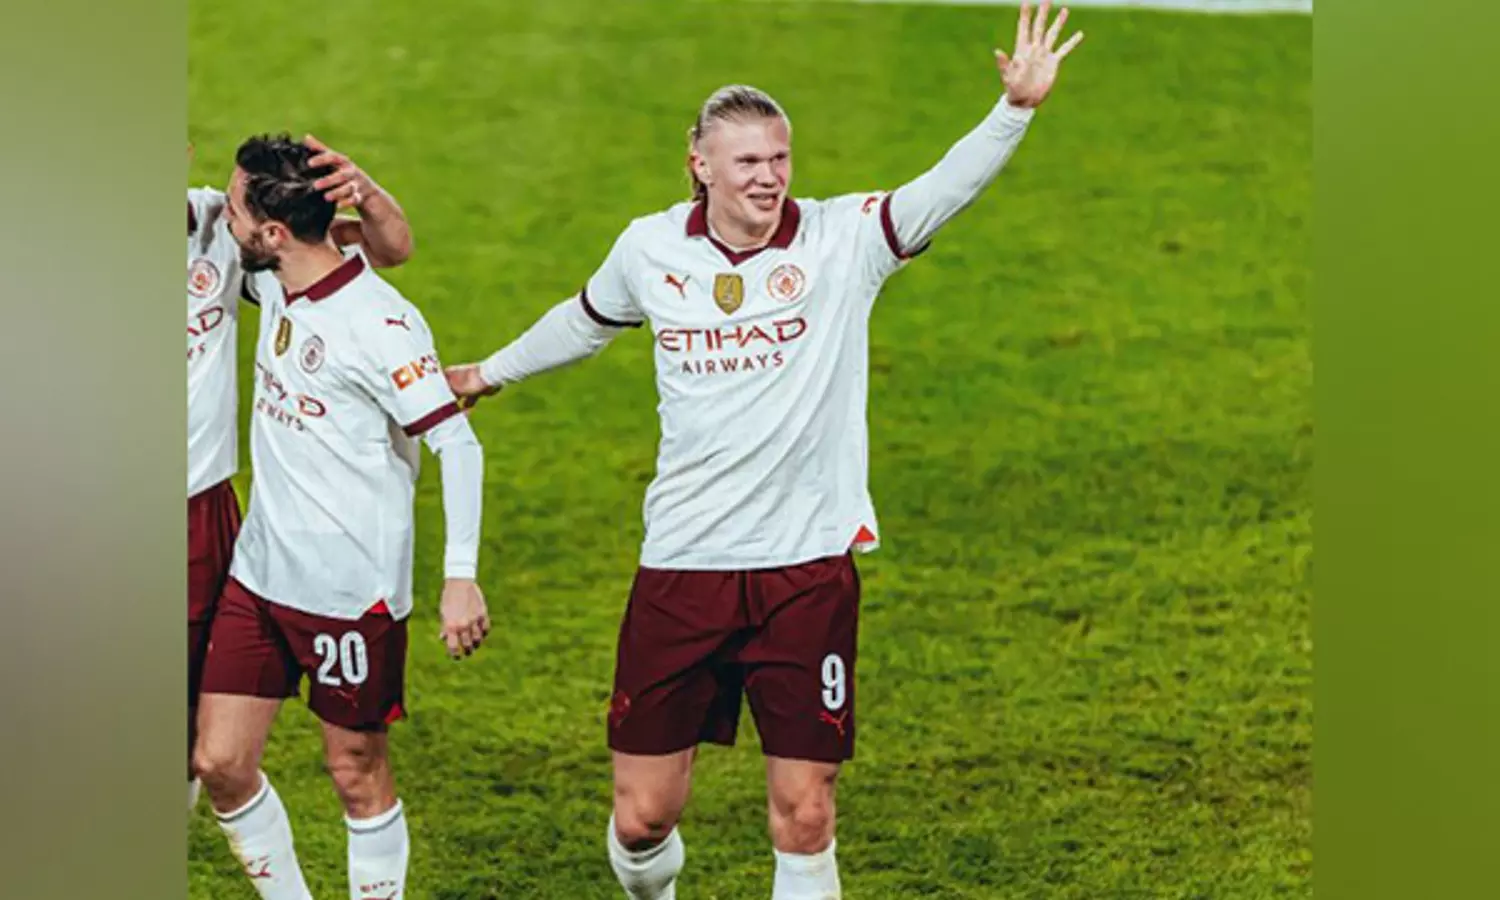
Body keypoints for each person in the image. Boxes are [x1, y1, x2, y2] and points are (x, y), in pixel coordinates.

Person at [449, 4, 1086, 896]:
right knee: (642, 817)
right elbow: (585, 321)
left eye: (779, 158)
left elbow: (942, 188)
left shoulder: (842, 240)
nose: (769, 177)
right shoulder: (649, 249)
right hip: (685, 561)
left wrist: (1013, 110)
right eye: (748, 161)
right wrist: (488, 373)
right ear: (699, 163)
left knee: (806, 812)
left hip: (805, 569)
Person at [191, 133, 491, 900]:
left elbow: (457, 445)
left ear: (272, 233)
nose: (223, 216)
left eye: (234, 208)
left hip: (350, 591)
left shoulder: (380, 325)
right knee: (220, 762)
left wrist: (460, 578)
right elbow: (391, 241)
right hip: (259, 575)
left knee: (356, 771)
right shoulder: (276, 282)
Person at [186, 136, 414, 813]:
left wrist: (367, 194)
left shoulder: (224, 228)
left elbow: (389, 248)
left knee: (196, 734)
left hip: (195, 508)